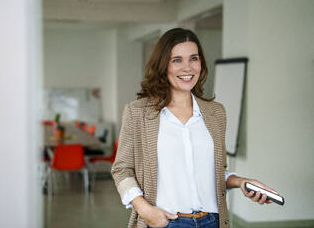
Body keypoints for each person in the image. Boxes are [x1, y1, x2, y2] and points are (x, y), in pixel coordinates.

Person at [111, 28, 279, 228]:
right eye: (177, 60)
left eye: (193, 58)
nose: (188, 68)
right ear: (163, 65)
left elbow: (215, 172)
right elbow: (121, 170)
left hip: (212, 221)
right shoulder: (137, 112)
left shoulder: (216, 113)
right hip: (164, 222)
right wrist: (144, 210)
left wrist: (241, 182)